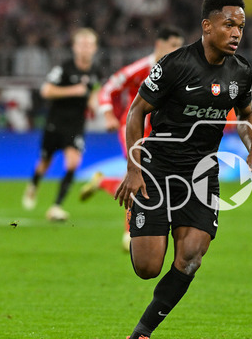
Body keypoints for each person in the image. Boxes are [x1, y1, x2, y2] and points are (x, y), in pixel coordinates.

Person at [114, 0, 252, 339]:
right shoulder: (175, 65)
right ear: (207, 26)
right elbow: (136, 112)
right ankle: (137, 214)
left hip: (201, 175)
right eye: (229, 24)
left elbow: (246, 114)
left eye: (241, 27)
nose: (236, 33)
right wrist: (133, 168)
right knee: (148, 267)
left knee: (192, 257)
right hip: (157, 169)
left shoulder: (240, 71)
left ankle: (139, 338)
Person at [78, 26, 184, 249]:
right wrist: (108, 114)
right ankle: (129, 233)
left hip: (159, 134)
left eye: (179, 46)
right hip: (133, 130)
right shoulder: (140, 68)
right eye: (173, 45)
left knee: (151, 180)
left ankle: (103, 182)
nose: (176, 50)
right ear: (159, 45)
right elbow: (108, 88)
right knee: (139, 176)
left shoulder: (178, 71)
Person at [22, 28, 103, 221]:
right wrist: (73, 90)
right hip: (55, 123)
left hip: (76, 125)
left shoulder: (96, 72)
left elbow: (95, 92)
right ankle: (33, 184)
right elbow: (46, 90)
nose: (85, 48)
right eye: (82, 44)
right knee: (45, 163)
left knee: (73, 162)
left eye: (89, 45)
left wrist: (94, 104)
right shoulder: (64, 68)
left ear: (95, 48)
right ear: (74, 47)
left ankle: (56, 206)